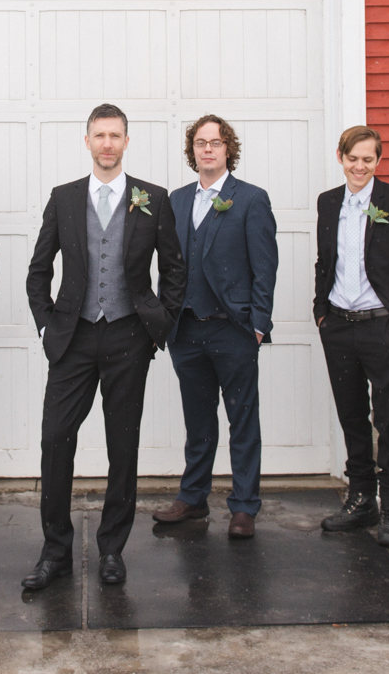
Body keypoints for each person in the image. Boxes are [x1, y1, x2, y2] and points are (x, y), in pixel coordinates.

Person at [22, 103, 187, 590]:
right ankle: (55, 550)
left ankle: (112, 548)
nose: (108, 143)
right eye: (100, 135)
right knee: (55, 441)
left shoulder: (152, 198)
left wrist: (160, 323)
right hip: (72, 337)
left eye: (116, 135)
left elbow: (174, 270)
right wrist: (46, 326)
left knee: (123, 444)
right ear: (88, 141)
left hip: (127, 336)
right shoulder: (65, 197)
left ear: (126, 142)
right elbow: (38, 271)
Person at [153, 115, 279, 538]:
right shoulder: (176, 200)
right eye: (201, 143)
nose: (208, 149)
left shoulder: (250, 199)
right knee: (198, 422)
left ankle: (243, 506)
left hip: (233, 329)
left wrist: (258, 325)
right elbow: (169, 267)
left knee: (242, 420)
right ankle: (192, 499)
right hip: (186, 332)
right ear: (192, 151)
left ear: (229, 150)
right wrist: (166, 318)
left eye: (216, 143)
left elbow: (265, 267)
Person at [312, 125, 389, 547]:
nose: (359, 166)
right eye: (353, 158)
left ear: (378, 161)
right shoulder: (329, 203)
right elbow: (326, 262)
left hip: (382, 326)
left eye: (368, 159)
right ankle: (362, 500)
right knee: (352, 417)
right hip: (339, 326)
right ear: (340, 157)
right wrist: (321, 313)